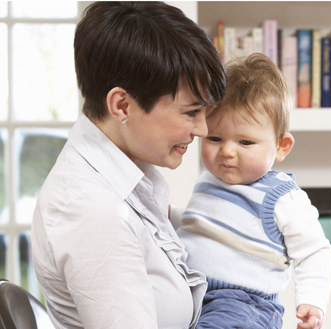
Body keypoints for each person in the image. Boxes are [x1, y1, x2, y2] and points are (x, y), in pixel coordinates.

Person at [30, 2, 226, 328]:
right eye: (191, 112)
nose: (203, 130)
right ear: (122, 105)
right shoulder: (93, 212)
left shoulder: (124, 177)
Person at [175, 53, 331, 329]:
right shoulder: (209, 179)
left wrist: (312, 300)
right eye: (214, 138)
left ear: (282, 146)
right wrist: (166, 215)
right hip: (194, 293)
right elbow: (204, 227)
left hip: (245, 304)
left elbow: (314, 251)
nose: (226, 150)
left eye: (245, 142)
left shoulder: (282, 197)